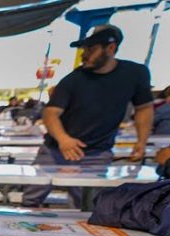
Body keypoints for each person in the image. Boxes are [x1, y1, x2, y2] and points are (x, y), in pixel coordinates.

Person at [22, 25, 153, 208]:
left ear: (111, 48)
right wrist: (63, 139)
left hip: (97, 152)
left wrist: (141, 141)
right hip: (54, 150)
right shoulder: (73, 79)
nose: (84, 54)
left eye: (91, 49)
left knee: (86, 204)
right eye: (84, 49)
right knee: (31, 198)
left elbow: (144, 108)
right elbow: (50, 112)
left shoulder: (135, 74)